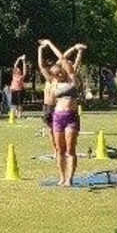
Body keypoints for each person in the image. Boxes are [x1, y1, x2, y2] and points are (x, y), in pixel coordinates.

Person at [41, 40, 86, 186]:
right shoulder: (54, 83)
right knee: (59, 150)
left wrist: (50, 43)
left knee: (70, 150)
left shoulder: (72, 79)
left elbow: (62, 58)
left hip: (71, 117)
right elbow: (43, 66)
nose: (59, 73)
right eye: (56, 73)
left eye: (60, 71)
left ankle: (70, 179)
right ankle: (61, 177)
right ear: (53, 75)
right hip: (57, 117)